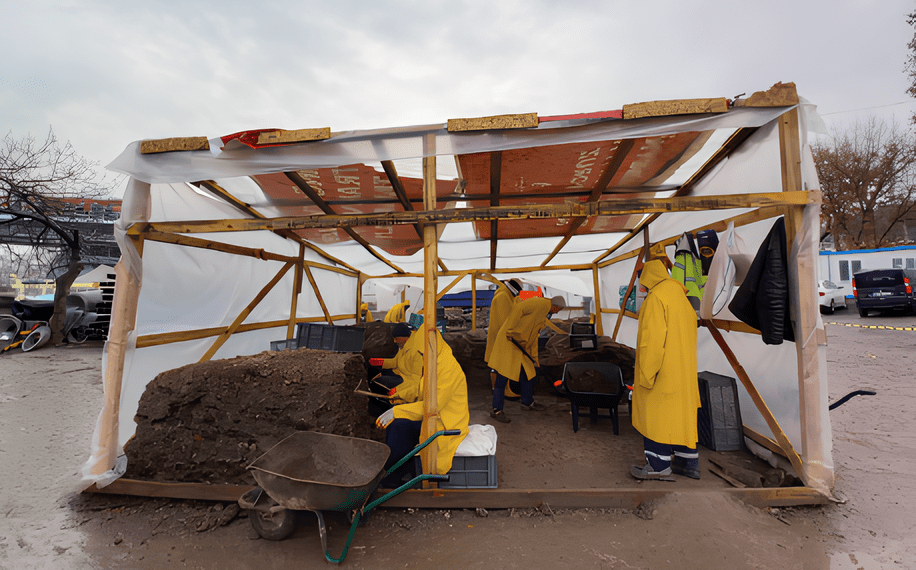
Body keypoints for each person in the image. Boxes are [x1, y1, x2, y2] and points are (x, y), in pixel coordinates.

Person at [629, 258, 701, 480]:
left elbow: (651, 341)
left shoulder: (656, 298)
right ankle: (687, 463)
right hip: (684, 372)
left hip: (663, 372)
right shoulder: (680, 297)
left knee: (656, 418)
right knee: (680, 417)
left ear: (648, 277)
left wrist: (646, 375)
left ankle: (658, 467)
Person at [375, 331, 469, 487]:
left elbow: (434, 406)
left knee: (400, 428)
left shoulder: (448, 368)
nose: (421, 355)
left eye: (421, 352)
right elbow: (421, 390)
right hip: (433, 417)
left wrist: (397, 411)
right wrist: (400, 396)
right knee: (396, 425)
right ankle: (393, 472)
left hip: (445, 423)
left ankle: (391, 479)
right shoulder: (434, 361)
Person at [487, 295, 566, 423]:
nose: (558, 312)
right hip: (508, 342)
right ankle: (496, 410)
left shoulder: (544, 314)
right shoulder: (539, 303)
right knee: (502, 378)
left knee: (529, 374)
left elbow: (534, 337)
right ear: (556, 307)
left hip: (520, 346)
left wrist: (535, 359)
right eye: (559, 310)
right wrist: (510, 330)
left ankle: (527, 402)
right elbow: (519, 308)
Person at [370, 323, 423, 404]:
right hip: (401, 374)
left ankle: (387, 404)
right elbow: (396, 362)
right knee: (375, 370)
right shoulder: (404, 345)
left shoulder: (417, 352)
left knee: (379, 382)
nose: (395, 341)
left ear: (405, 337)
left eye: (396, 338)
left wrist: (397, 390)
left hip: (408, 382)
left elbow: (416, 381)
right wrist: (379, 362)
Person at [484, 279, 522, 389]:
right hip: (501, 337)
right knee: (500, 364)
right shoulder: (503, 297)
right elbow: (505, 321)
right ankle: (500, 389)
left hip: (500, 336)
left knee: (499, 363)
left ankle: (501, 389)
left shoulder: (506, 295)